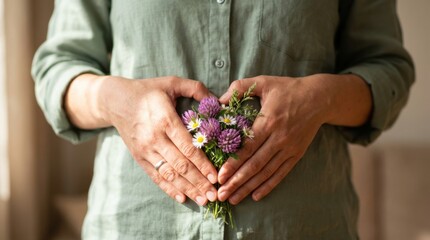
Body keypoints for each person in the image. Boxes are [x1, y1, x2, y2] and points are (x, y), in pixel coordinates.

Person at [32, 0, 414, 239]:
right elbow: (58, 71)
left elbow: (387, 71)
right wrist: (119, 102)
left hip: (302, 228)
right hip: (137, 227)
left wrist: (319, 99)